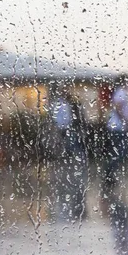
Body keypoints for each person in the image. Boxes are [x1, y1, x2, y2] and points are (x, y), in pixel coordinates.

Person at [102, 76, 128, 255]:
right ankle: (109, 176)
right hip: (117, 128)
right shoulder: (121, 92)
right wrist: (127, 121)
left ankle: (109, 176)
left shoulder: (119, 92)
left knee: (118, 155)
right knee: (118, 154)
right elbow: (119, 107)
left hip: (115, 127)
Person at [52, 91, 88, 222]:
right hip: (65, 127)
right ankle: (69, 157)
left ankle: (69, 157)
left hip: (66, 127)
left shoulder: (65, 104)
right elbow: (60, 117)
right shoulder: (62, 104)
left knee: (70, 144)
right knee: (69, 144)